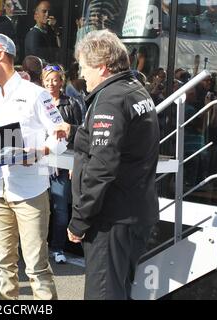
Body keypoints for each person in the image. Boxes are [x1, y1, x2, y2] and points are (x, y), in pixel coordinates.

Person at [0, 33, 67, 300]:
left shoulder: (36, 94)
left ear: (0, 54)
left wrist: (41, 151)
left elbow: (61, 135)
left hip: (31, 192)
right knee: (3, 267)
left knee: (36, 267)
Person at [65, 30, 160, 300]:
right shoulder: (135, 89)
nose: (82, 74)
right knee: (119, 290)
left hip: (112, 217)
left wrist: (79, 219)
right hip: (133, 211)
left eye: (84, 67)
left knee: (104, 294)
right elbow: (123, 141)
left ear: (102, 67)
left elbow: (103, 166)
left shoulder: (111, 99)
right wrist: (75, 133)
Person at [41, 64, 84, 264]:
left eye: (55, 79)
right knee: (39, 207)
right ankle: (38, 247)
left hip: (63, 162)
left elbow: (80, 136)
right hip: (40, 161)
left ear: (62, 81)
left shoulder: (72, 103)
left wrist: (76, 162)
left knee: (60, 208)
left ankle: (57, 248)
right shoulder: (37, 101)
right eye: (48, 79)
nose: (51, 83)